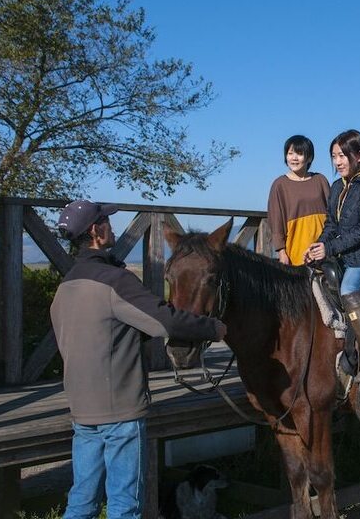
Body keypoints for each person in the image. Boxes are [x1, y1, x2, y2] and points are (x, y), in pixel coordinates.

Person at [51, 200, 227, 519]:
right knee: (125, 504)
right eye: (106, 221)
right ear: (96, 231)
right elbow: (165, 321)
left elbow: (101, 333)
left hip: (81, 408)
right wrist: (213, 328)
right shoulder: (115, 280)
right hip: (119, 408)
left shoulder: (66, 285)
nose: (112, 226)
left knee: (82, 500)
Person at [304, 129, 360, 383]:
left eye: (343, 155)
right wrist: (318, 246)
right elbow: (331, 224)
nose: (338, 161)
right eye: (334, 156)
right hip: (344, 254)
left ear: (359, 155)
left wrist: (330, 249)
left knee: (350, 289)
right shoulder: (336, 187)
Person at [267, 135, 330, 265]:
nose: (294, 158)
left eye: (300, 154)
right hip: (296, 251)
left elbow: (333, 215)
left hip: (323, 249)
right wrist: (281, 252)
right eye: (290, 153)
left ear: (309, 157)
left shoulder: (320, 180)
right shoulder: (280, 185)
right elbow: (276, 221)